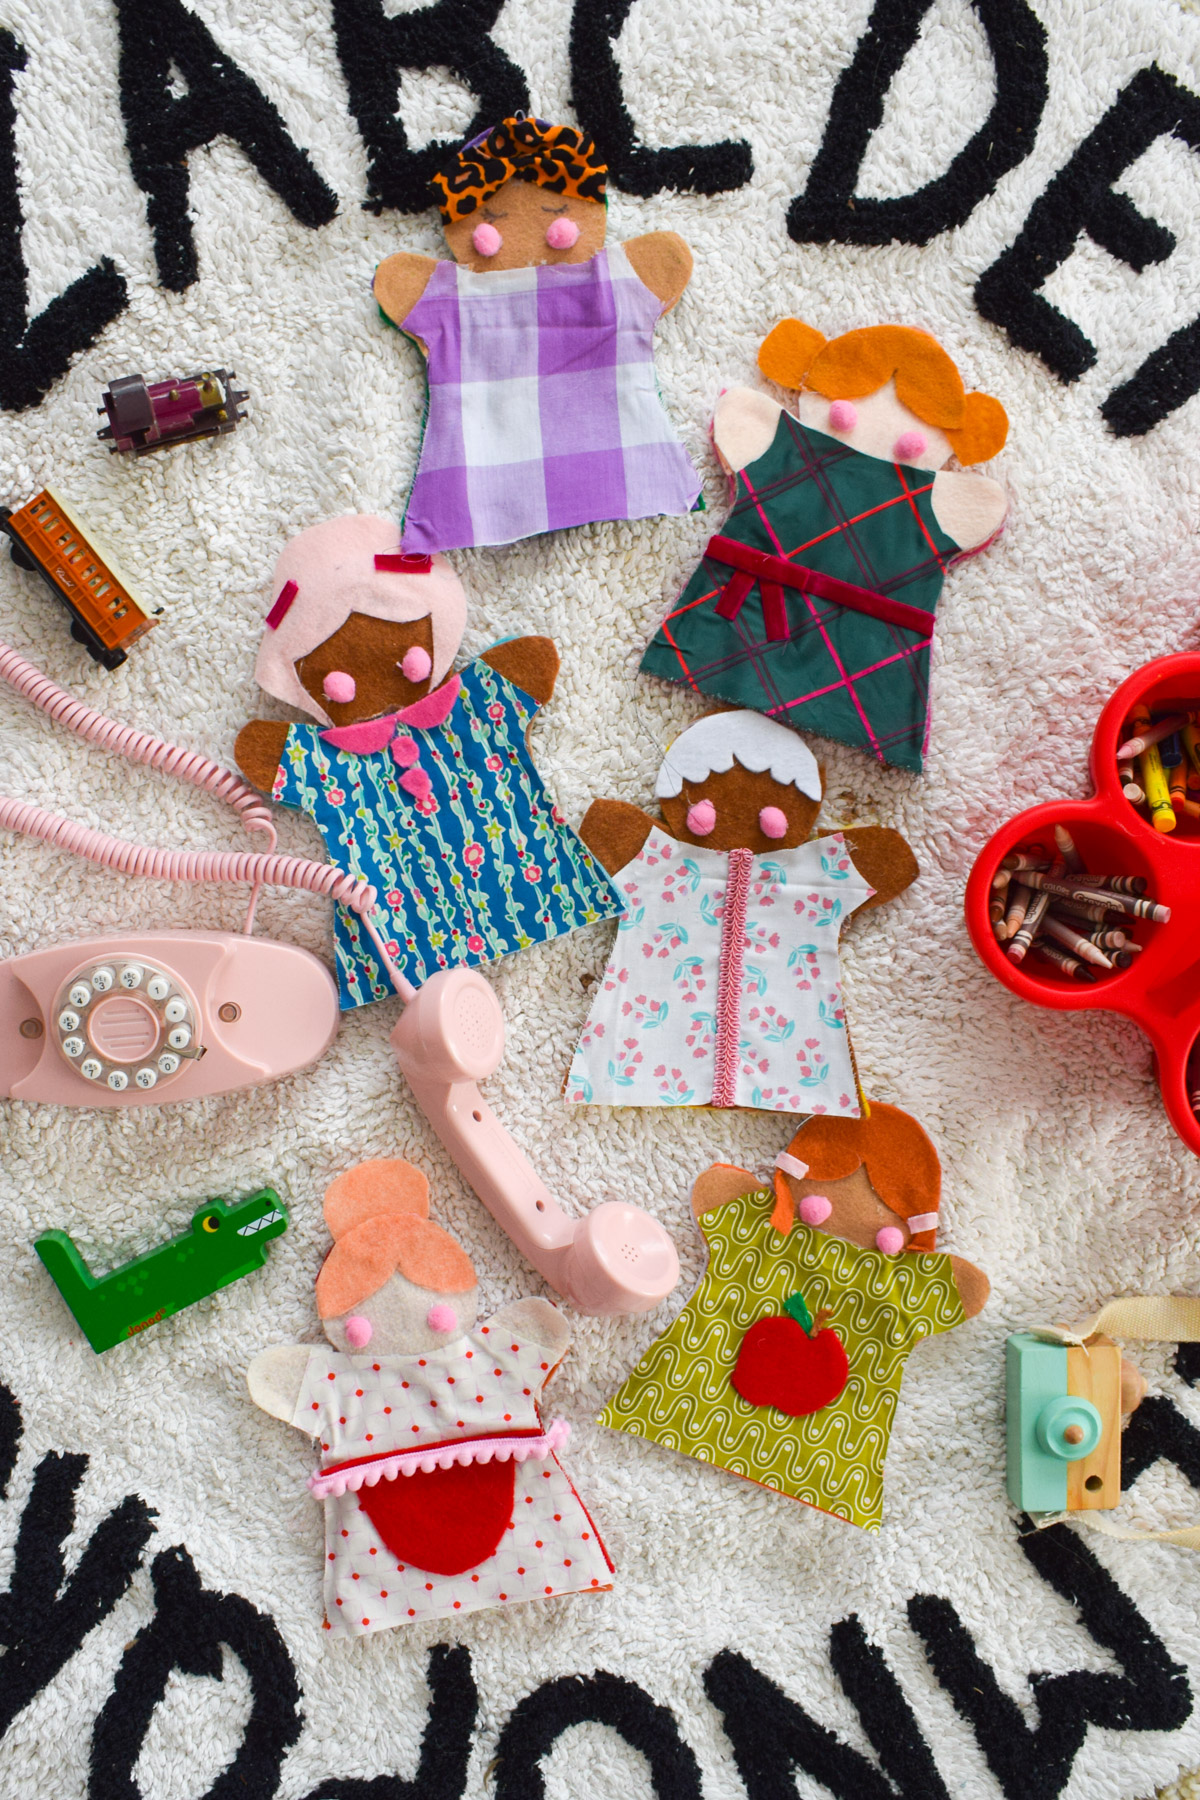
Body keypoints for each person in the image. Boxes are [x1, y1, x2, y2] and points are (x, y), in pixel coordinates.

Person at [235, 515, 621, 1008]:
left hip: (530, 896)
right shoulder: (323, 758)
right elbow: (258, 751)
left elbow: (532, 662)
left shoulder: (478, 700)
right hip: (416, 941)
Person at [247, 1159, 613, 1635]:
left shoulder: (342, 1382)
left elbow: (275, 1379)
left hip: (409, 1554)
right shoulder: (487, 1355)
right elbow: (543, 1328)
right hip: (468, 1532)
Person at [639, 319, 1010, 773]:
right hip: (796, 639)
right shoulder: (785, 441)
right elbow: (984, 507)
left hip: (819, 645)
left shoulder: (778, 442)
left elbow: (984, 507)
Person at [600, 1106, 989, 1531]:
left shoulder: (762, 1228)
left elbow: (717, 1193)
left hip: (687, 1403)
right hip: (818, 1462)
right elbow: (960, 1289)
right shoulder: (777, 1228)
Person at [373, 114, 700, 552]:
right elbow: (664, 260)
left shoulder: (451, 297)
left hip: (482, 492)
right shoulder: (615, 279)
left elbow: (398, 282)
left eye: (553, 216)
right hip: (625, 470)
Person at [564, 709, 917, 1112]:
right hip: (640, 1057)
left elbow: (891, 861)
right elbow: (603, 825)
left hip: (793, 1065)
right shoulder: (656, 855)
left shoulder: (814, 870)